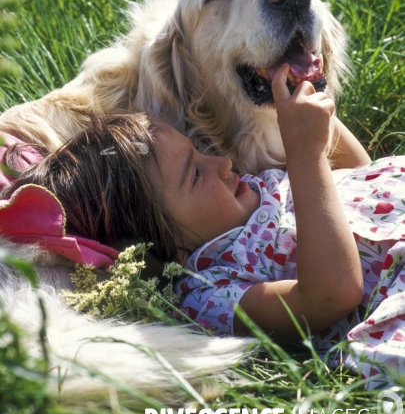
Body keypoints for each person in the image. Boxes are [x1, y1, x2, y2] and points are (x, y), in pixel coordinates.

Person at [3, 65, 405, 386]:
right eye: (195, 174)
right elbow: (331, 295)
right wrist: (306, 154)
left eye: (198, 154)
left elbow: (360, 179)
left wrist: (315, 114)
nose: (222, 163)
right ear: (157, 245)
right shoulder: (206, 290)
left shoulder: (256, 190)